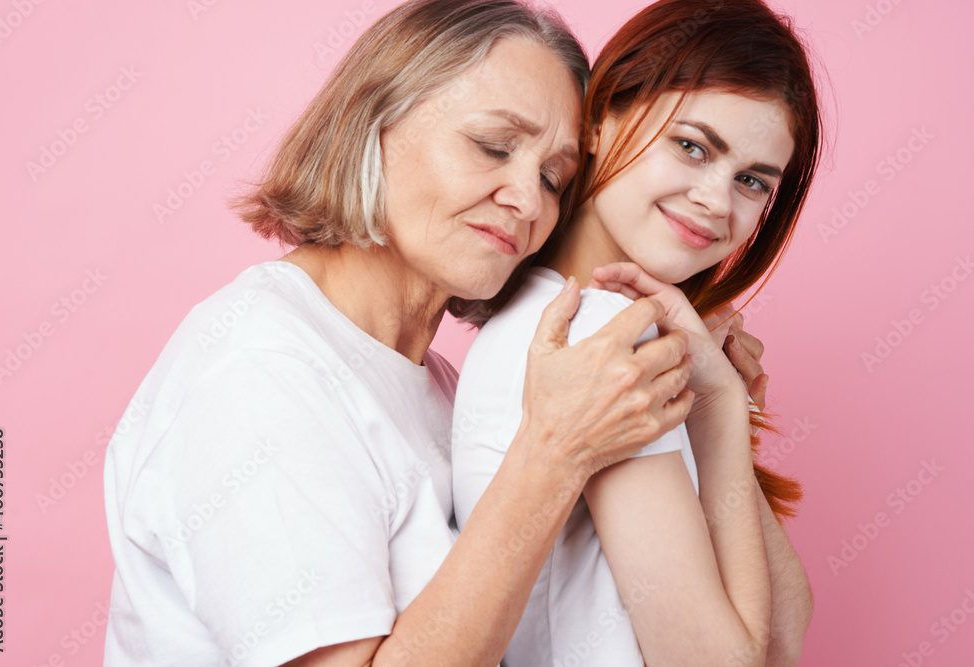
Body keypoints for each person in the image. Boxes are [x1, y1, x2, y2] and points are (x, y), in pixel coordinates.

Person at [102, 1, 697, 665]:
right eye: (492, 147)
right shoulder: (258, 371)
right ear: (372, 123)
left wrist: (717, 401)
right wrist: (554, 453)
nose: (530, 203)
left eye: (553, 178)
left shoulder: (436, 385)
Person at [452, 0, 824, 665]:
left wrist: (714, 397)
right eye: (692, 145)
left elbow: (785, 629)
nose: (716, 199)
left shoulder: (584, 321)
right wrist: (715, 407)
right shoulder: (594, 337)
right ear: (599, 118)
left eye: (750, 181)